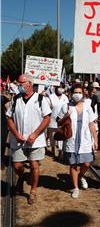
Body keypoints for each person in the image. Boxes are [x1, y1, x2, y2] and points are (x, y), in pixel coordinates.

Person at [6, 74, 51, 204]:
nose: (19, 85)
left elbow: (47, 118)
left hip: (35, 140)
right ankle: (21, 177)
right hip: (18, 140)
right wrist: (15, 134)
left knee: (34, 164)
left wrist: (35, 134)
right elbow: (9, 118)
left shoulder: (41, 99)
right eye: (18, 83)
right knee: (17, 165)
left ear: (30, 84)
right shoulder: (15, 99)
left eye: (21, 83)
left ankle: (33, 191)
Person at [58, 84, 98, 198]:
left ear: (83, 94)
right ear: (71, 94)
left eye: (80, 92)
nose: (77, 95)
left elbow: (91, 124)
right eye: (75, 92)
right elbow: (59, 123)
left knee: (86, 163)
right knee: (73, 164)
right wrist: (66, 116)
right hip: (71, 139)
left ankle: (80, 176)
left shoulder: (87, 107)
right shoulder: (66, 106)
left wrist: (95, 140)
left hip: (85, 140)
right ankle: (75, 187)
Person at [46, 82, 69, 159]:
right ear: (55, 87)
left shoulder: (65, 97)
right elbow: (47, 108)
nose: (61, 89)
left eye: (62, 87)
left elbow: (67, 109)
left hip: (62, 121)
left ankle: (60, 152)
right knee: (52, 137)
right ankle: (52, 150)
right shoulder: (50, 97)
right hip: (52, 120)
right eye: (59, 87)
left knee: (61, 137)